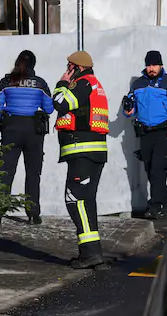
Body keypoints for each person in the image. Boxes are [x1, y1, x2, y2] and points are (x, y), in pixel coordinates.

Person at [52, 50, 110, 269]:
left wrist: (61, 83)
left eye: (69, 67)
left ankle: (90, 253)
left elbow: (61, 103)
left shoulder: (82, 84)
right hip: (93, 152)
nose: (67, 70)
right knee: (86, 201)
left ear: (76, 67)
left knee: (75, 200)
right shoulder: (95, 84)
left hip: (82, 151)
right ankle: (92, 252)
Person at [0, 50, 54, 224]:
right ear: (33, 65)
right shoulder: (40, 84)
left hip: (11, 129)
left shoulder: (7, 82)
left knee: (5, 172)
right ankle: (33, 214)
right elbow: (49, 108)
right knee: (33, 173)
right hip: (33, 130)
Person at [123, 49, 167, 219]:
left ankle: (155, 206)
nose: (151, 68)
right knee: (151, 172)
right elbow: (131, 111)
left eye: (154, 65)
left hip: (163, 133)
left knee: (158, 170)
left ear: (161, 65)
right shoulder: (138, 84)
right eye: (148, 65)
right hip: (145, 133)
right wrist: (128, 108)